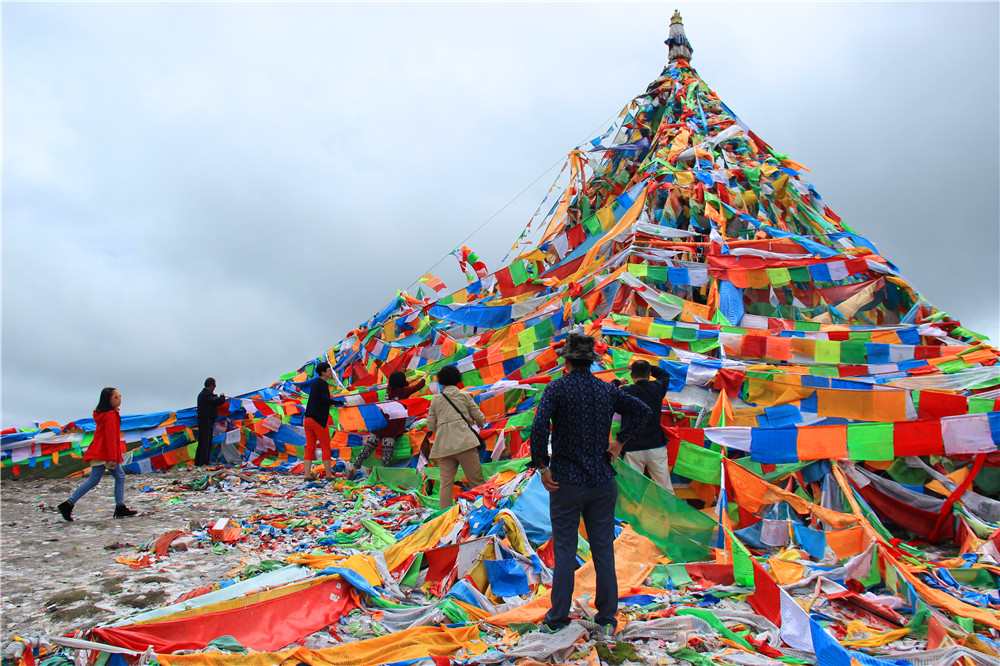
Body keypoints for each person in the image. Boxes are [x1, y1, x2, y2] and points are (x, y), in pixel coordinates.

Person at [530, 332, 650, 636]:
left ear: (567, 360)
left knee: (566, 550)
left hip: (566, 483)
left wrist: (542, 466)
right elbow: (643, 411)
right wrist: (620, 441)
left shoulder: (556, 389)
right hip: (601, 481)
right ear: (592, 361)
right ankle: (607, 616)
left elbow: (540, 426)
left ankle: (557, 618)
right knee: (603, 551)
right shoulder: (606, 391)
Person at [58, 388, 138, 521]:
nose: (120, 398)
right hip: (104, 452)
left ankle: (119, 506)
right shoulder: (111, 415)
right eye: (117, 396)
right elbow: (111, 437)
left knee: (115, 477)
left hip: (100, 449)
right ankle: (69, 504)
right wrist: (112, 457)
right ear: (109, 400)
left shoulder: (104, 414)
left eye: (120, 395)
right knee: (104, 479)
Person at [425, 364, 485, 510]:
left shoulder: (436, 400)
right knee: (476, 482)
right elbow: (480, 418)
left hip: (444, 447)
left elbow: (430, 425)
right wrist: (480, 424)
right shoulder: (465, 396)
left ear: (441, 382)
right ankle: (483, 509)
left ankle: (444, 514)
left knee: (446, 485)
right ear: (458, 380)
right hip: (465, 443)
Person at [349, 371, 426, 476]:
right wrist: (425, 376)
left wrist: (414, 378)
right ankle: (385, 475)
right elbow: (418, 387)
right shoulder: (404, 392)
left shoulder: (389, 389)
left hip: (380, 423)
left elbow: (405, 386)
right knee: (387, 453)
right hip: (393, 426)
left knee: (368, 447)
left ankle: (355, 466)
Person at [615, 360, 673, 491]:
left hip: (632, 446)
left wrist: (618, 382)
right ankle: (670, 511)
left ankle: (633, 512)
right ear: (649, 374)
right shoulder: (657, 388)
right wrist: (650, 367)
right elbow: (665, 375)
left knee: (633, 492)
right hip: (656, 444)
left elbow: (608, 391)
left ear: (631, 374)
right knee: (665, 488)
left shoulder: (625, 391)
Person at [303, 362, 336, 480]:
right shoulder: (323, 384)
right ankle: (328, 474)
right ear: (323, 373)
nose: (331, 372)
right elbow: (325, 400)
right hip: (318, 420)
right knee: (325, 446)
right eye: (329, 370)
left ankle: (307, 474)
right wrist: (339, 403)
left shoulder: (314, 384)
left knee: (310, 447)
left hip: (307, 419)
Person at [196, 378, 227, 466]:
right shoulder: (207, 394)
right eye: (214, 386)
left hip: (202, 419)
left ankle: (199, 462)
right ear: (210, 386)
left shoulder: (202, 394)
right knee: (206, 441)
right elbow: (218, 401)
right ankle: (204, 462)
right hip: (207, 419)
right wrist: (222, 396)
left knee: (202, 441)